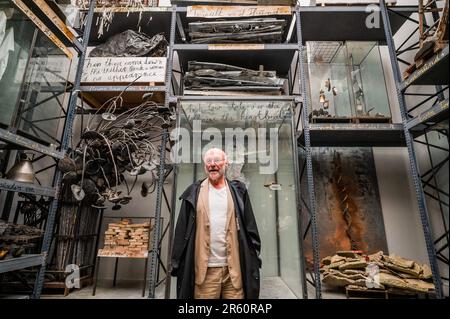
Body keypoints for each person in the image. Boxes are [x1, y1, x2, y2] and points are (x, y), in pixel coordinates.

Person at [171, 148, 261, 299]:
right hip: (205, 273)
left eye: (217, 160)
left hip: (234, 271)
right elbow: (181, 232)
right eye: (208, 161)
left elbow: (251, 228)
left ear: (226, 163)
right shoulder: (193, 192)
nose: (213, 164)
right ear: (204, 166)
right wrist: (176, 263)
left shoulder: (239, 192)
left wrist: (254, 256)